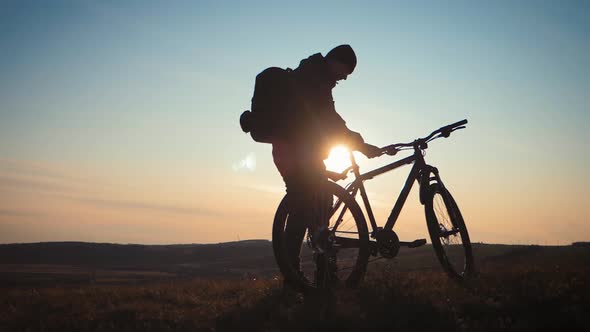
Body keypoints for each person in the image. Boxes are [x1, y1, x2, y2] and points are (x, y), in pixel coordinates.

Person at [271, 45, 381, 285]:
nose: (343, 78)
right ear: (335, 62)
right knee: (303, 207)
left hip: (296, 151)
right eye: (344, 72)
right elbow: (329, 121)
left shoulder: (311, 76)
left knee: (316, 205)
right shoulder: (314, 81)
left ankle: (321, 273)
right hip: (295, 151)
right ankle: (297, 277)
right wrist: (360, 144)